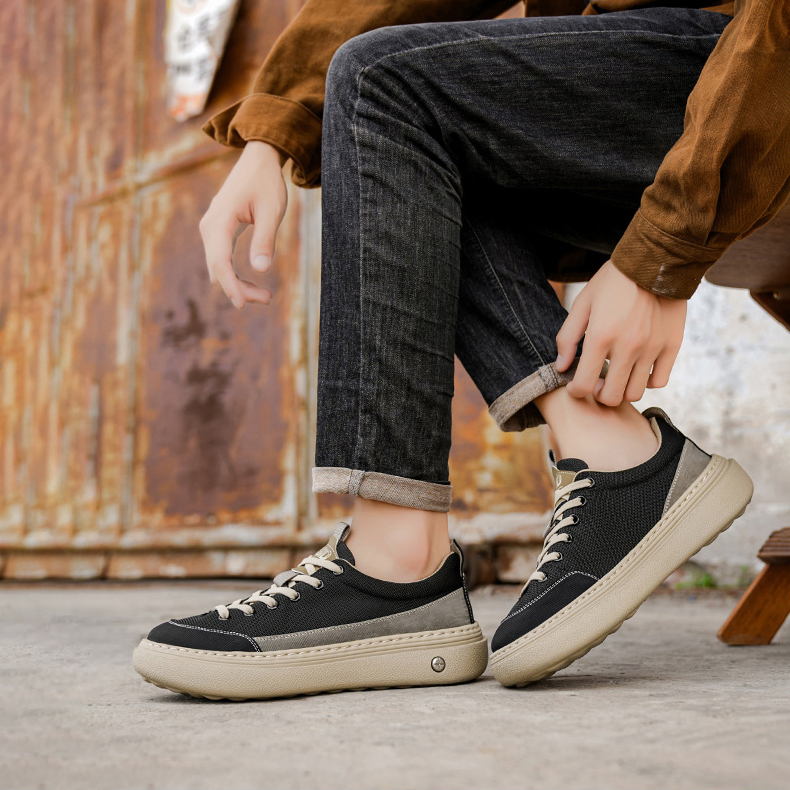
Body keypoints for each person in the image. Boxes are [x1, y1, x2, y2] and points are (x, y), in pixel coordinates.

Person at [133, 0, 788, 699]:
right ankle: (604, 458)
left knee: (386, 86)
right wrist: (271, 130)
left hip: (762, 75)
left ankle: (396, 567)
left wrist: (662, 250)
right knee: (414, 119)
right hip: (687, 95)